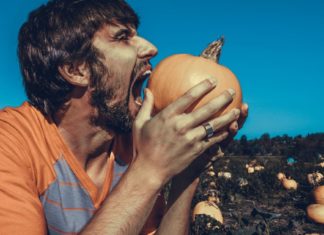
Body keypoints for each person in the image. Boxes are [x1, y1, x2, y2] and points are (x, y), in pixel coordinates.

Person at [0, 0, 248, 234]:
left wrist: (188, 172)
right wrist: (149, 171)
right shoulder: (11, 143)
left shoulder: (134, 146)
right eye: (123, 37)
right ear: (76, 69)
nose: (152, 48)